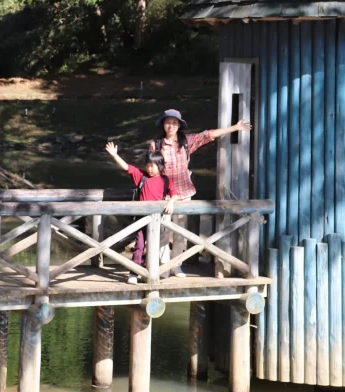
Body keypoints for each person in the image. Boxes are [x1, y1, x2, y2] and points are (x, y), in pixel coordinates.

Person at [149, 108, 251, 277]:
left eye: (174, 123)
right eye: (168, 122)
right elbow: (152, 169)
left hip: (184, 193)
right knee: (163, 232)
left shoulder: (186, 141)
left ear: (179, 126)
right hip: (164, 195)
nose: (171, 126)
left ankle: (176, 266)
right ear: (163, 124)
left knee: (180, 232)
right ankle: (164, 267)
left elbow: (208, 135)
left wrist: (234, 127)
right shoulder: (156, 144)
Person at [105, 141, 174, 284]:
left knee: (154, 247)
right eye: (147, 165)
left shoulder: (165, 180)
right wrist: (115, 155)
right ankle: (134, 273)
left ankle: (149, 272)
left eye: (152, 166)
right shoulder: (142, 177)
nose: (149, 169)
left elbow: (175, 193)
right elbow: (127, 167)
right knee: (139, 245)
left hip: (157, 221)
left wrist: (171, 201)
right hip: (142, 219)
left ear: (160, 166)